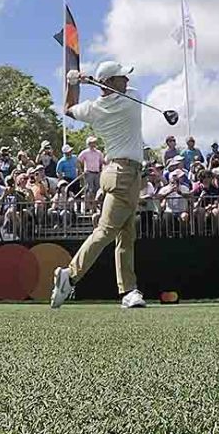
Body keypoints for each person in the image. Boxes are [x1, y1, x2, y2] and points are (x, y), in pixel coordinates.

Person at [52, 61, 146, 309]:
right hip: (123, 174)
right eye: (120, 78)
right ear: (109, 83)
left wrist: (74, 83)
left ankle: (129, 291)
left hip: (122, 173)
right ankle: (70, 275)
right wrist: (87, 81)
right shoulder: (133, 99)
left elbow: (68, 108)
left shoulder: (94, 108)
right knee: (106, 231)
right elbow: (74, 107)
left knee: (126, 235)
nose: (126, 81)